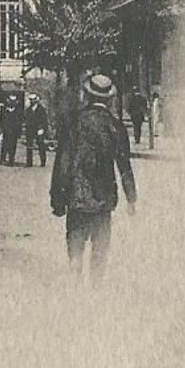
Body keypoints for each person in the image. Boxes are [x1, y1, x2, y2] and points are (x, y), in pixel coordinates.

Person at [50, 73, 138, 282]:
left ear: (87, 95)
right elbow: (124, 166)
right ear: (109, 98)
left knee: (75, 243)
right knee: (100, 247)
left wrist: (57, 199)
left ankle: (75, 283)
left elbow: (62, 163)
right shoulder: (116, 127)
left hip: (77, 196)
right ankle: (95, 289)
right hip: (103, 199)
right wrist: (131, 197)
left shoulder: (74, 123)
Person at [0, 91, 25, 165]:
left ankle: (11, 160)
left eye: (14, 101)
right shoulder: (4, 110)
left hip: (14, 132)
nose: (12, 103)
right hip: (6, 130)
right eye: (11, 101)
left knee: (13, 146)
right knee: (4, 145)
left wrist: (19, 132)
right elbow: (1, 120)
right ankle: (2, 158)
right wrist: (1, 130)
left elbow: (19, 122)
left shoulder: (18, 111)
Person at [24, 94, 50, 168]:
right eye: (30, 100)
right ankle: (29, 162)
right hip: (30, 129)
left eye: (33, 100)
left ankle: (43, 161)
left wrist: (42, 129)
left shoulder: (41, 109)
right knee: (29, 145)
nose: (32, 101)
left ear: (36, 101)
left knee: (41, 145)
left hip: (39, 129)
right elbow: (26, 119)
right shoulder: (28, 110)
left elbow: (44, 120)